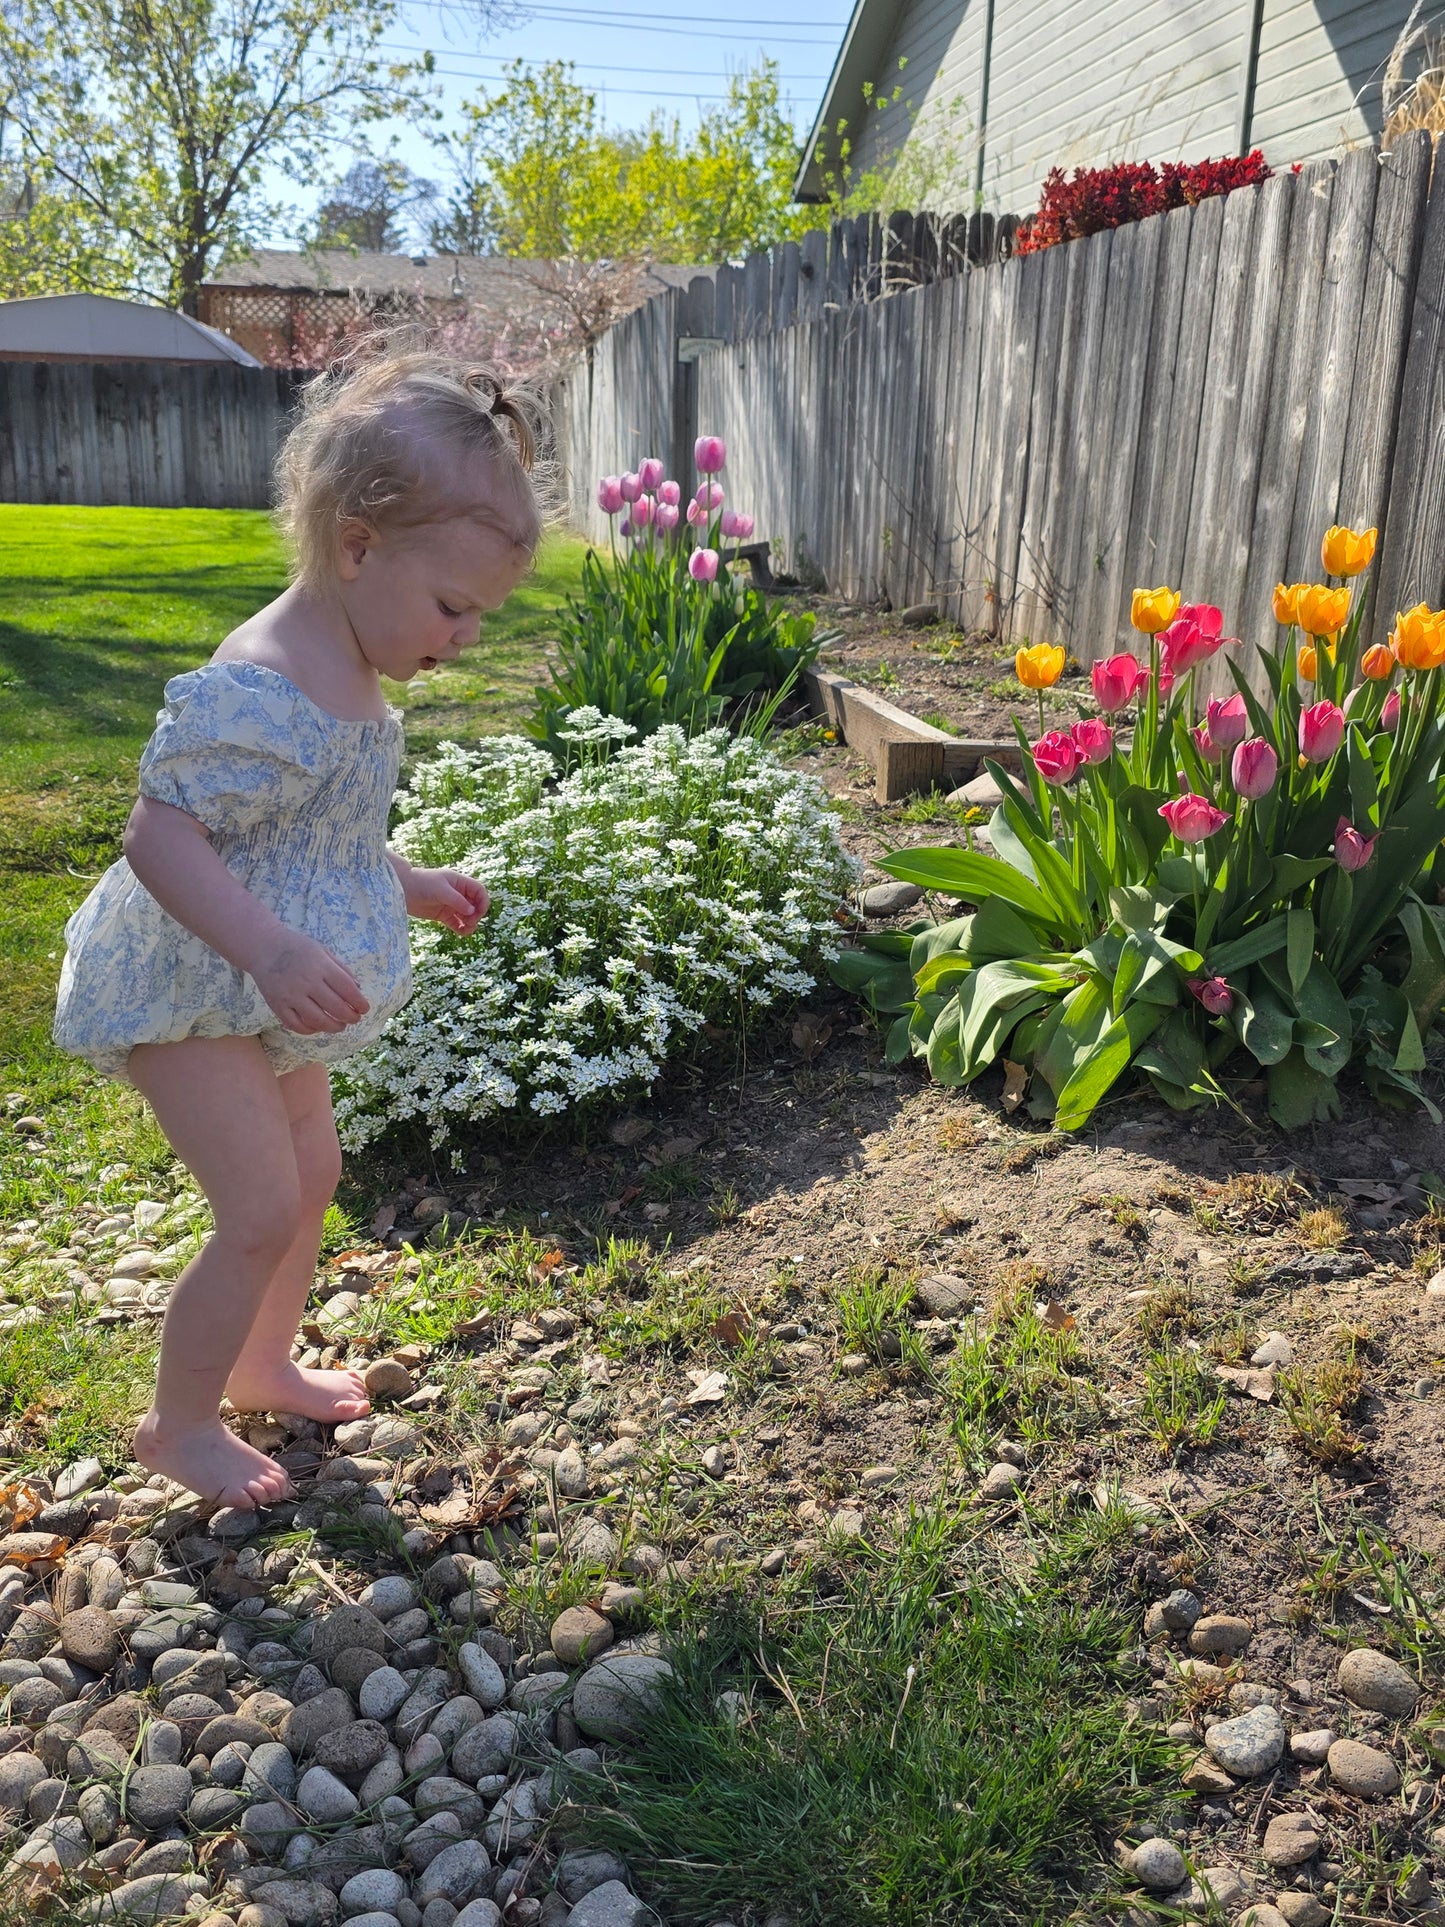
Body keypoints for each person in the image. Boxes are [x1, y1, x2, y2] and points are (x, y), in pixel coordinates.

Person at [53, 343, 546, 1510]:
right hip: (190, 977)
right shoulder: (266, 682)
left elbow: (306, 835)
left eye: (477, 615)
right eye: (452, 607)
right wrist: (267, 948)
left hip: (259, 978)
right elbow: (159, 836)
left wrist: (406, 880)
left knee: (312, 1168)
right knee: (260, 1204)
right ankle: (178, 1423)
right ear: (357, 547)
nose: (465, 638)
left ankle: (262, 1364)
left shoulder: (353, 667)